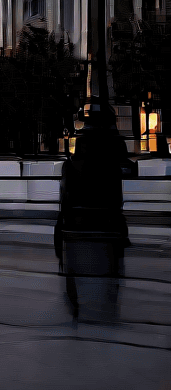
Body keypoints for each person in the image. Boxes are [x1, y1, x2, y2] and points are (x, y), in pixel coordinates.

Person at [54, 119, 130, 321]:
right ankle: (110, 299)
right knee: (115, 256)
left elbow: (65, 199)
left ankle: (75, 302)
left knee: (68, 258)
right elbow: (117, 199)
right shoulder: (110, 165)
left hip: (76, 225)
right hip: (106, 223)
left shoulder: (70, 166)